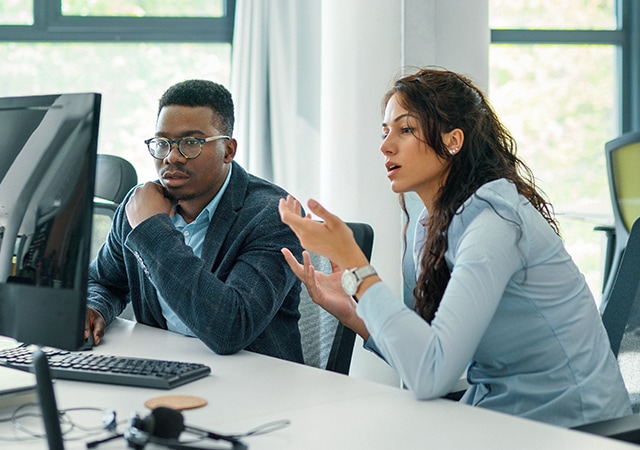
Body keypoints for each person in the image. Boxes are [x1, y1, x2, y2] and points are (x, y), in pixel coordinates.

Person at [278, 68, 631, 427]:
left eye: (406, 129)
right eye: (385, 132)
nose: (385, 145)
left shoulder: (496, 224)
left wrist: (356, 266)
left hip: (572, 427)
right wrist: (353, 312)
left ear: (453, 140)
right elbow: (425, 356)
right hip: (503, 417)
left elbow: (431, 374)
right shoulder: (430, 227)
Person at [86, 79, 305, 363]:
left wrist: (152, 230)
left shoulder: (273, 215)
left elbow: (230, 328)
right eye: (162, 143)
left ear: (228, 150)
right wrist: (94, 309)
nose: (172, 157)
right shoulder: (139, 204)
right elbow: (104, 281)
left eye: (191, 143)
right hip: (166, 369)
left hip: (257, 385)